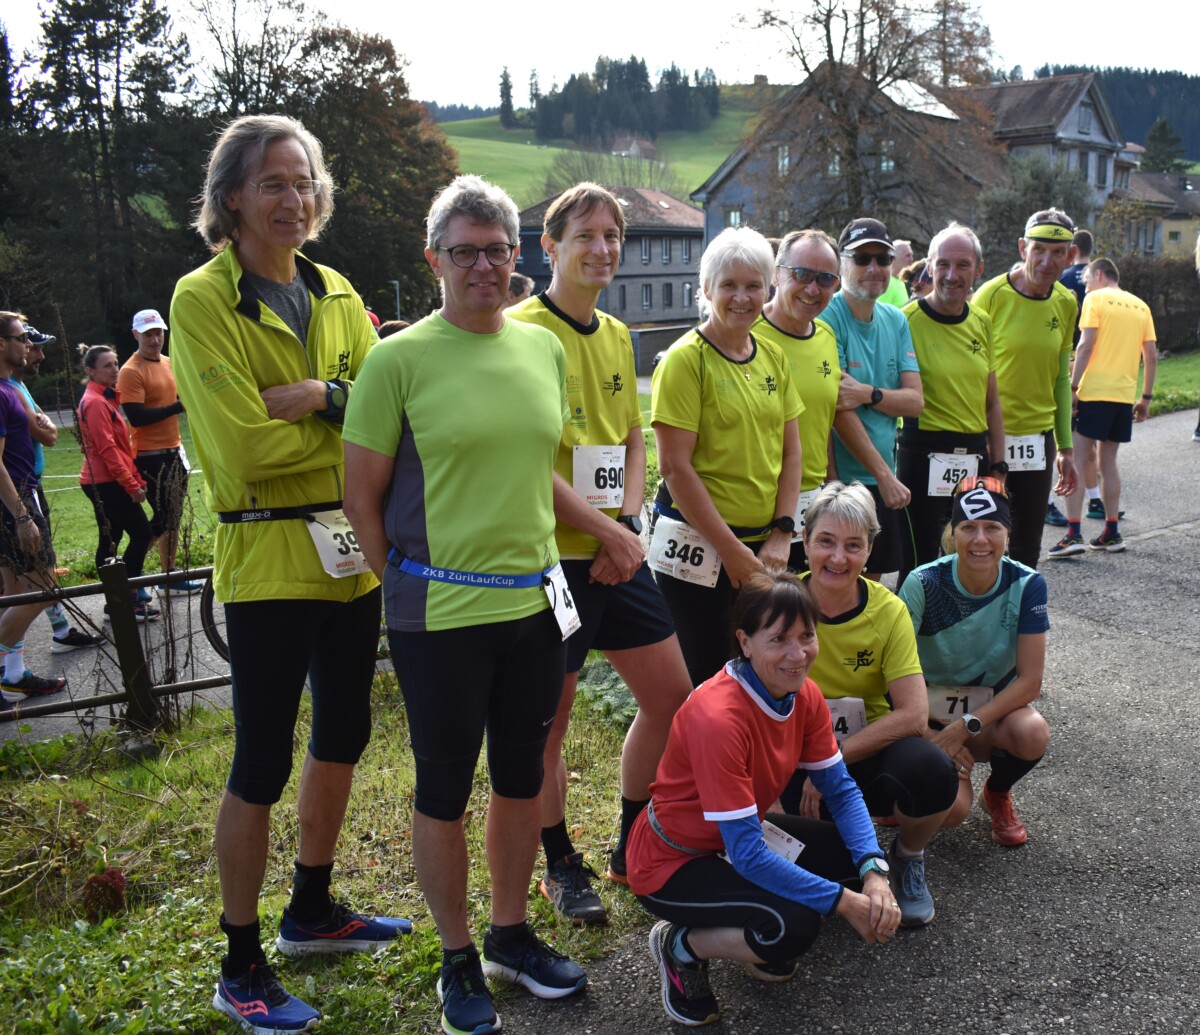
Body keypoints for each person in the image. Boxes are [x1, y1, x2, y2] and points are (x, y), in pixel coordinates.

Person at [170, 114, 407, 1035]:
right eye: (272, 182)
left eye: (304, 181)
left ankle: (311, 909)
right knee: (262, 758)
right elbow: (241, 450)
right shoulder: (201, 299)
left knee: (346, 729)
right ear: (232, 196)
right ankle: (240, 963)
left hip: (350, 556)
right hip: (268, 556)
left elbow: (389, 413)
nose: (293, 198)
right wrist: (351, 433)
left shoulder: (339, 290)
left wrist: (321, 397)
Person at [343, 174, 586, 1035]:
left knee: (521, 777)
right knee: (444, 787)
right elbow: (361, 497)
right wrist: (403, 585)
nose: (483, 266)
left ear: (517, 255)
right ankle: (456, 957)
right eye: (464, 251)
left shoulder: (542, 348)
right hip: (440, 618)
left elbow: (536, 469)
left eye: (496, 250)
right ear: (434, 259)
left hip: (533, 608)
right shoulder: (397, 360)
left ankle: (509, 935)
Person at [507, 182, 691, 924]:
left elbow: (633, 437)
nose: (603, 248)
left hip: (618, 548)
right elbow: (523, 457)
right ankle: (559, 863)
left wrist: (627, 523)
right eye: (585, 235)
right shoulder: (520, 331)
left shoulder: (616, 333)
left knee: (672, 697)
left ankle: (630, 842)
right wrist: (608, 531)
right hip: (553, 560)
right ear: (548, 246)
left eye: (613, 236)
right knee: (549, 723)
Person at [627, 568, 900, 1028]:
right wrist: (844, 902)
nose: (798, 654)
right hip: (671, 861)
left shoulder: (802, 693)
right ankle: (681, 946)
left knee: (848, 856)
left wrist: (875, 872)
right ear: (745, 642)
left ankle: (750, 932)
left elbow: (841, 788)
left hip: (735, 839)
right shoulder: (719, 718)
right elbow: (749, 856)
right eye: (778, 640)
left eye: (806, 636)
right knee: (797, 924)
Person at [780, 482, 956, 928]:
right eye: (826, 541)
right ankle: (838, 857)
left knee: (934, 771)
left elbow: (913, 714)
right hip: (790, 761)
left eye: (853, 546)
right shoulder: (779, 603)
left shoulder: (889, 611)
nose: (838, 558)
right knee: (827, 868)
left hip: (861, 753)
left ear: (870, 550)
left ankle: (907, 856)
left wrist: (831, 762)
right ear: (805, 540)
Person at [649, 225, 801, 687]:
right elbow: (675, 468)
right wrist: (732, 552)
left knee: (759, 674)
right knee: (703, 680)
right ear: (706, 289)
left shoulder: (773, 356)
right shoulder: (684, 360)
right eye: (728, 285)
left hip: (763, 548)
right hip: (697, 548)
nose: (741, 297)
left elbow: (791, 451)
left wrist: (782, 533)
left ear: (768, 289)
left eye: (753, 285)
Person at [899, 476, 1050, 847]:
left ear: (1007, 534)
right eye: (968, 527)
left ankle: (997, 793)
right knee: (951, 812)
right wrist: (931, 735)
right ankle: (905, 789)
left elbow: (1030, 681)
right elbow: (890, 670)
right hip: (927, 718)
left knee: (1033, 732)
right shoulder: (922, 582)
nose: (980, 539)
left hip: (986, 720)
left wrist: (964, 727)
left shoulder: (1028, 584)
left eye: (992, 527)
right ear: (953, 534)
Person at [897, 223, 1005, 585]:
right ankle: (911, 623)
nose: (951, 275)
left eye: (962, 265)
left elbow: (992, 402)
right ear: (929, 266)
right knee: (921, 565)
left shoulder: (982, 321)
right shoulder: (905, 321)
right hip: (921, 454)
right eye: (943, 264)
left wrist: (999, 465)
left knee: (971, 559)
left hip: (974, 456)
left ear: (979, 269)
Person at [972, 209, 1078, 568]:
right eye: (1039, 250)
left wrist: (1065, 447)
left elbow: (1060, 378)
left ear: (1071, 255)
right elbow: (971, 369)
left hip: (1037, 441)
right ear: (1023, 248)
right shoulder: (991, 295)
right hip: (989, 437)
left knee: (1027, 545)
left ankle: (1020, 604)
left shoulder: (1066, 302)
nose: (1047, 261)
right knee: (980, 539)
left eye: (1058, 252)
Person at [823, 217, 924, 578]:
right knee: (834, 585)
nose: (874, 268)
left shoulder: (896, 319)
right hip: (842, 481)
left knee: (871, 586)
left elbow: (915, 402)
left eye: (882, 259)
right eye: (861, 258)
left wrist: (868, 393)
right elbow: (838, 408)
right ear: (841, 263)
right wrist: (883, 476)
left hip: (881, 479)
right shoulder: (828, 316)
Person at [1049, 258, 1156, 558]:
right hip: (1123, 395)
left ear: (1098, 274)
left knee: (1076, 458)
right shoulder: (1141, 306)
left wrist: (1072, 388)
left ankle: (1073, 534)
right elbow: (1150, 355)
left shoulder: (1095, 300)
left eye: (1086, 281)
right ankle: (1111, 531)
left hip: (1093, 392)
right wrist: (1146, 398)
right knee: (1108, 463)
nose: (1085, 287)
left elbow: (1085, 345)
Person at [753, 228, 842, 570]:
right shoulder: (746, 334)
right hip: (757, 507)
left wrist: (832, 486)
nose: (812, 289)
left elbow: (822, 421)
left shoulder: (827, 335)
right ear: (776, 275)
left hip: (810, 506)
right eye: (802, 274)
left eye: (825, 279)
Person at [10, 323, 102, 652]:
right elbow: (48, 435)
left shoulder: (18, 385)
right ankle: (11, 659)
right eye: (33, 346)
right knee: (36, 581)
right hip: (21, 489)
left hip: (27, 485)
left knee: (26, 580)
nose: (38, 355)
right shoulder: (10, 389)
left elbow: (48, 431)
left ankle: (57, 633)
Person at [0, 313, 68, 703]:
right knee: (44, 588)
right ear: (1, 344)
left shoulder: (11, 388)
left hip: (19, 496)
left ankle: (12, 677)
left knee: (16, 591)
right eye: (20, 337)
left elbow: (50, 433)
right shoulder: (0, 392)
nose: (28, 344)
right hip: (17, 499)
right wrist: (22, 515)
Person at [119, 308, 202, 594]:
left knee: (173, 517)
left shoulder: (169, 362)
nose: (155, 340)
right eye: (148, 335)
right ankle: (132, 575)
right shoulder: (131, 371)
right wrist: (177, 407)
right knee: (163, 517)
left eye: (158, 333)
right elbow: (137, 417)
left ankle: (170, 576)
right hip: (149, 454)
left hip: (175, 450)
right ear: (135, 335)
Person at [76, 345, 160, 624]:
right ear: (90, 371)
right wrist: (130, 483)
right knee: (142, 534)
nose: (114, 369)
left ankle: (117, 603)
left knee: (111, 540)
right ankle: (126, 601)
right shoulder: (96, 402)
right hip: (106, 482)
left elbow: (121, 447)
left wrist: (135, 478)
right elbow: (107, 449)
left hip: (106, 480)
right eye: (107, 365)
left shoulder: (105, 398)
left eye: (115, 363)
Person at [878, 239, 914, 307]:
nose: (911, 259)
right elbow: (878, 311)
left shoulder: (901, 282)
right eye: (907, 255)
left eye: (912, 255)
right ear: (893, 258)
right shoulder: (886, 284)